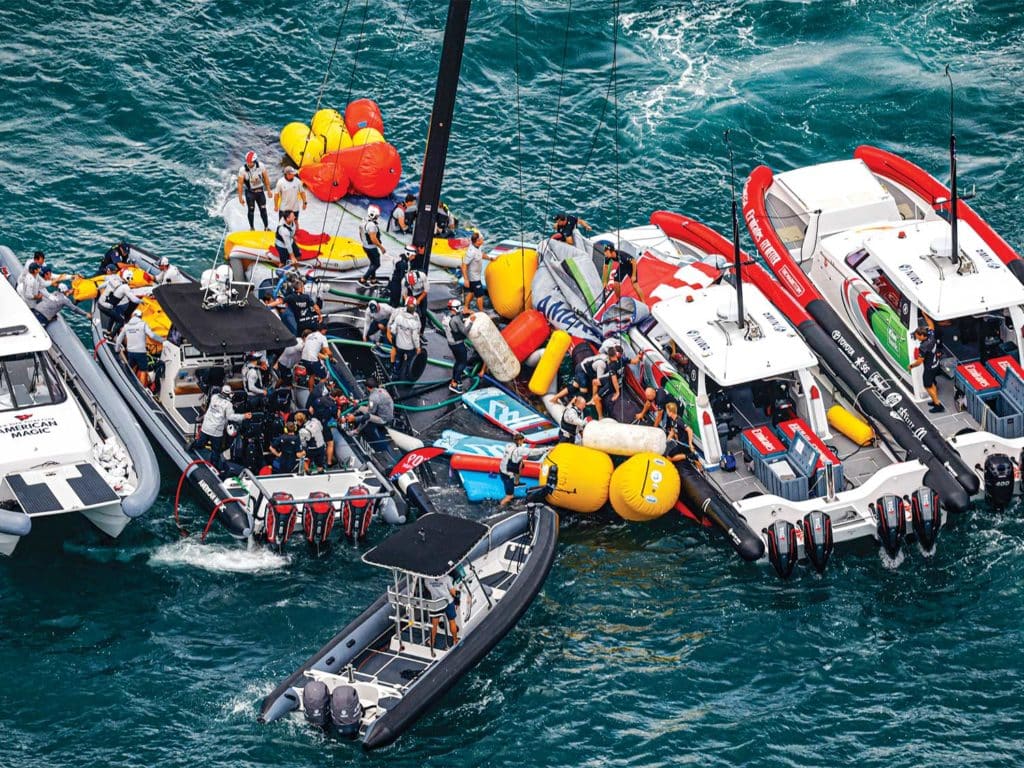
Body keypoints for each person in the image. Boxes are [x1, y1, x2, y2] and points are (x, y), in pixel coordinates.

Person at [193, 385, 249, 455]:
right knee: (216, 449)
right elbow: (230, 417)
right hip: (217, 431)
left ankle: (192, 448)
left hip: (209, 428)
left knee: (201, 444)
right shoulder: (228, 405)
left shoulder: (214, 398)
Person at [115, 309, 166, 386]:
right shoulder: (143, 324)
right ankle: (142, 388)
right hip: (141, 352)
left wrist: (117, 349)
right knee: (143, 370)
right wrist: (162, 340)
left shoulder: (127, 326)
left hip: (131, 351)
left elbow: (119, 339)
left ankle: (126, 381)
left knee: (131, 367)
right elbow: (152, 335)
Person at [498, 433, 545, 506]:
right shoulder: (519, 450)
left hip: (502, 469)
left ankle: (516, 483)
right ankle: (500, 507)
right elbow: (533, 452)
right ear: (519, 441)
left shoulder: (508, 445)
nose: (523, 442)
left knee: (520, 464)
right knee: (510, 496)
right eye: (523, 441)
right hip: (507, 475)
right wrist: (546, 449)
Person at [909, 324, 944, 412]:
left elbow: (920, 361)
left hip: (929, 368)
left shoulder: (923, 346)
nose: (916, 337)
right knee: (932, 383)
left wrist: (911, 366)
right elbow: (931, 325)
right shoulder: (931, 335)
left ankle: (937, 405)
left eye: (917, 336)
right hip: (936, 364)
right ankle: (935, 400)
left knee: (927, 386)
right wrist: (925, 314)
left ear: (922, 336)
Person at [387, 297, 422, 382]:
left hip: (399, 344)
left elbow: (392, 329)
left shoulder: (398, 316)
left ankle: (395, 374)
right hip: (410, 346)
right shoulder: (415, 320)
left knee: (398, 359)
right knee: (410, 360)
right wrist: (418, 347)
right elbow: (415, 336)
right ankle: (407, 375)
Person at [98, 268, 143, 333]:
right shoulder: (125, 287)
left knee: (113, 316)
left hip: (100, 303)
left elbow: (100, 286)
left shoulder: (113, 279)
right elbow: (134, 300)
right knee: (121, 321)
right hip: (107, 307)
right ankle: (110, 336)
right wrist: (141, 301)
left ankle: (108, 331)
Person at [442, 299, 472, 393]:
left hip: (451, 343)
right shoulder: (456, 319)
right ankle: (456, 382)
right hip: (458, 343)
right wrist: (471, 322)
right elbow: (465, 331)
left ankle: (453, 380)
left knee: (458, 361)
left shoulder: (446, 316)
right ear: (455, 308)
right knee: (463, 362)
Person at [425, 571, 460, 653]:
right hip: (448, 602)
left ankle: (431, 641)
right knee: (452, 621)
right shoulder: (446, 578)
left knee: (434, 624)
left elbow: (429, 590)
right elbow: (452, 591)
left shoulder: (427, 580)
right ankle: (455, 640)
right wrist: (458, 600)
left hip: (436, 603)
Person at [237, 150, 272, 230]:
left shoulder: (261, 166)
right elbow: (240, 184)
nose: (249, 164)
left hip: (260, 191)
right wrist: (240, 197)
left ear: (254, 161)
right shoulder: (242, 170)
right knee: (251, 210)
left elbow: (266, 178)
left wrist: (269, 190)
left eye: (250, 162)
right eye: (247, 162)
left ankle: (266, 227)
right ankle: (252, 227)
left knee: (263, 209)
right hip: (250, 193)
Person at [358, 205, 386, 286]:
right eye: (377, 215)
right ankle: (363, 279)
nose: (378, 217)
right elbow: (373, 239)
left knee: (372, 263)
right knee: (377, 264)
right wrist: (381, 247)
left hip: (365, 246)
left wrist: (364, 242)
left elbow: (360, 233)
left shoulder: (363, 220)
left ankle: (373, 279)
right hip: (371, 248)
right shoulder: (371, 225)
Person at [461, 231, 488, 313]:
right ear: (478, 241)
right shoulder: (471, 252)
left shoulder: (478, 247)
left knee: (471, 293)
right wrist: (466, 279)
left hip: (476, 275)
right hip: (473, 277)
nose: (483, 240)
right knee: (480, 295)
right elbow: (464, 265)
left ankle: (465, 308)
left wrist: (490, 258)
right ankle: (481, 313)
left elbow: (481, 254)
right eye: (481, 239)